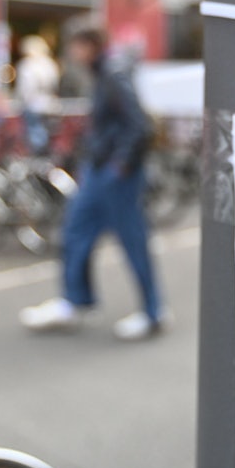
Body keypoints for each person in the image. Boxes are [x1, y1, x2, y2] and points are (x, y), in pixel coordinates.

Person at [19, 25, 166, 341]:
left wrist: (120, 165)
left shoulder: (112, 74)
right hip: (100, 169)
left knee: (131, 240)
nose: (72, 53)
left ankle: (152, 312)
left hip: (114, 173)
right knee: (75, 230)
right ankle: (75, 300)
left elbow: (138, 125)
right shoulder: (104, 73)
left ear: (90, 45)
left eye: (76, 46)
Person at [14, 34, 60, 155]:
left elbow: (25, 89)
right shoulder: (50, 64)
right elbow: (54, 85)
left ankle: (37, 164)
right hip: (49, 106)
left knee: (35, 139)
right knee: (48, 138)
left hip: (33, 106)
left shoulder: (27, 65)